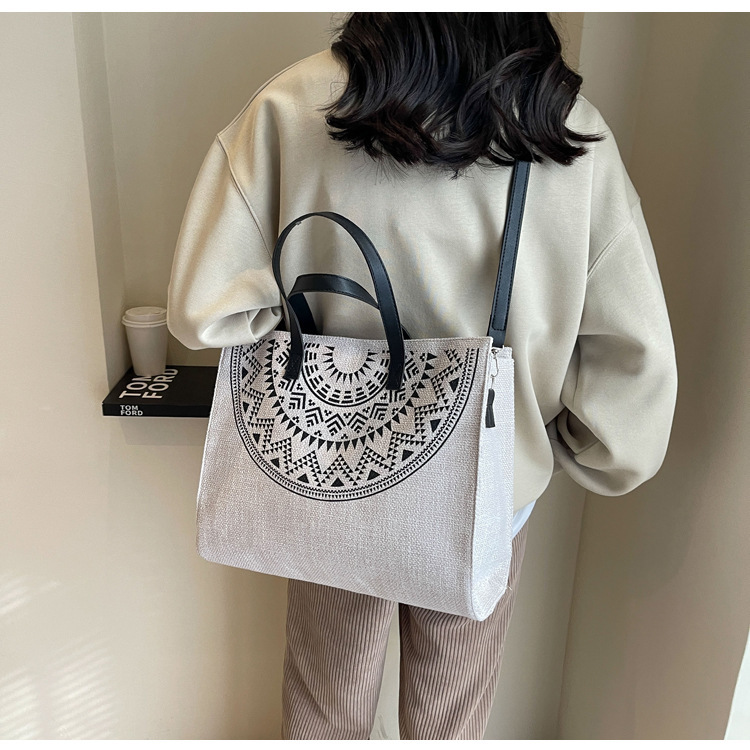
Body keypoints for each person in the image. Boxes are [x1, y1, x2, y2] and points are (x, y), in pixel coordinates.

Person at [166, 12, 678, 741]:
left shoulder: (291, 105)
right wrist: (549, 445)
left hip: (329, 466)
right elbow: (631, 383)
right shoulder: (567, 129)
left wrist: (320, 351)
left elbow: (204, 312)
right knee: (449, 720)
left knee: (324, 712)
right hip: (490, 487)